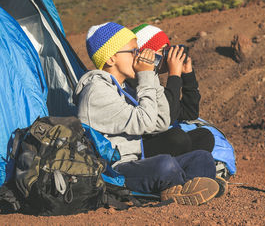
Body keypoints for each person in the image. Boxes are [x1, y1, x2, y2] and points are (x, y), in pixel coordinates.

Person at [73, 22, 220, 205]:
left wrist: (152, 75)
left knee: (203, 157)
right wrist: (146, 76)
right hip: (114, 172)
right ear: (111, 58)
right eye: (134, 51)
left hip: (137, 162)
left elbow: (161, 121)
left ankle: (182, 188)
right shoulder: (96, 91)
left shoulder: (122, 88)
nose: (139, 56)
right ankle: (188, 187)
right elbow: (147, 122)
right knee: (165, 165)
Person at [130, 24, 215, 158]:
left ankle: (182, 172)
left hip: (158, 142)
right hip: (138, 146)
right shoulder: (136, 83)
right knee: (178, 138)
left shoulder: (154, 81)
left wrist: (188, 75)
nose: (167, 55)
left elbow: (189, 113)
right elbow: (168, 117)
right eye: (163, 50)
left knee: (205, 136)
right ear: (145, 54)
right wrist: (174, 75)